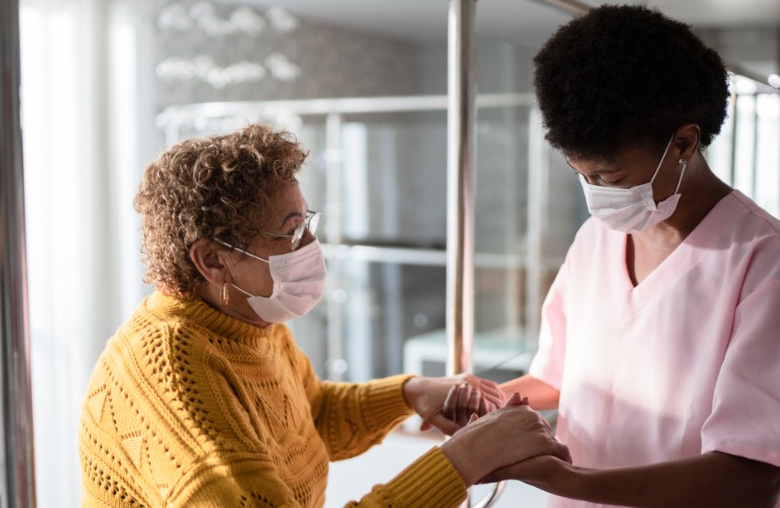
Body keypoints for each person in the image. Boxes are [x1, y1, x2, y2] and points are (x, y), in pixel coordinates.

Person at [77, 123, 570, 507]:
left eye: (307, 223)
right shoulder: (170, 371)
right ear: (212, 260)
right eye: (291, 232)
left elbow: (312, 417)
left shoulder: (248, 324)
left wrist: (410, 392)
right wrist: (463, 460)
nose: (312, 246)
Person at [477, 5, 780, 508]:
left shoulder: (772, 273)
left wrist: (570, 480)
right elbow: (558, 378)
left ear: (684, 142)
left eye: (609, 178)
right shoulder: (594, 241)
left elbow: (751, 477)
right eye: (580, 175)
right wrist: (484, 406)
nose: (595, 194)